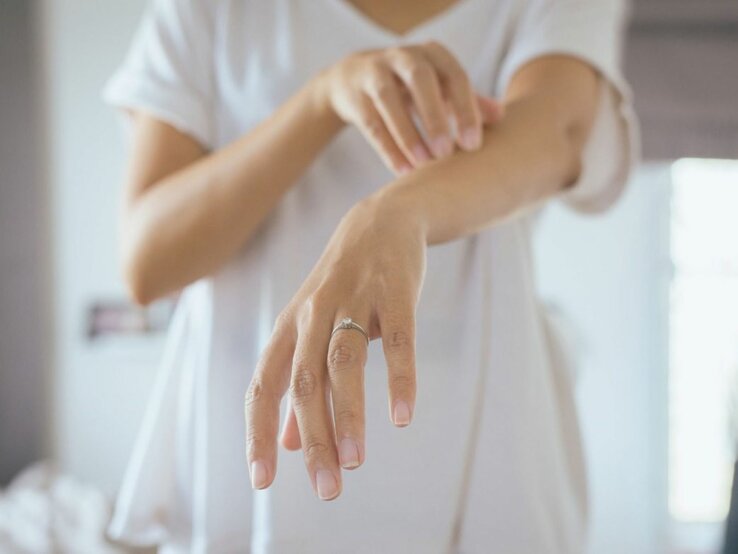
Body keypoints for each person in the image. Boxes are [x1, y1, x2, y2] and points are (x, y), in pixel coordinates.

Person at [102, 0, 638, 552]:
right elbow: (148, 261)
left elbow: (560, 130)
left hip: (486, 441)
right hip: (262, 448)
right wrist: (322, 100)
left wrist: (395, 214)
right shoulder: (208, 12)